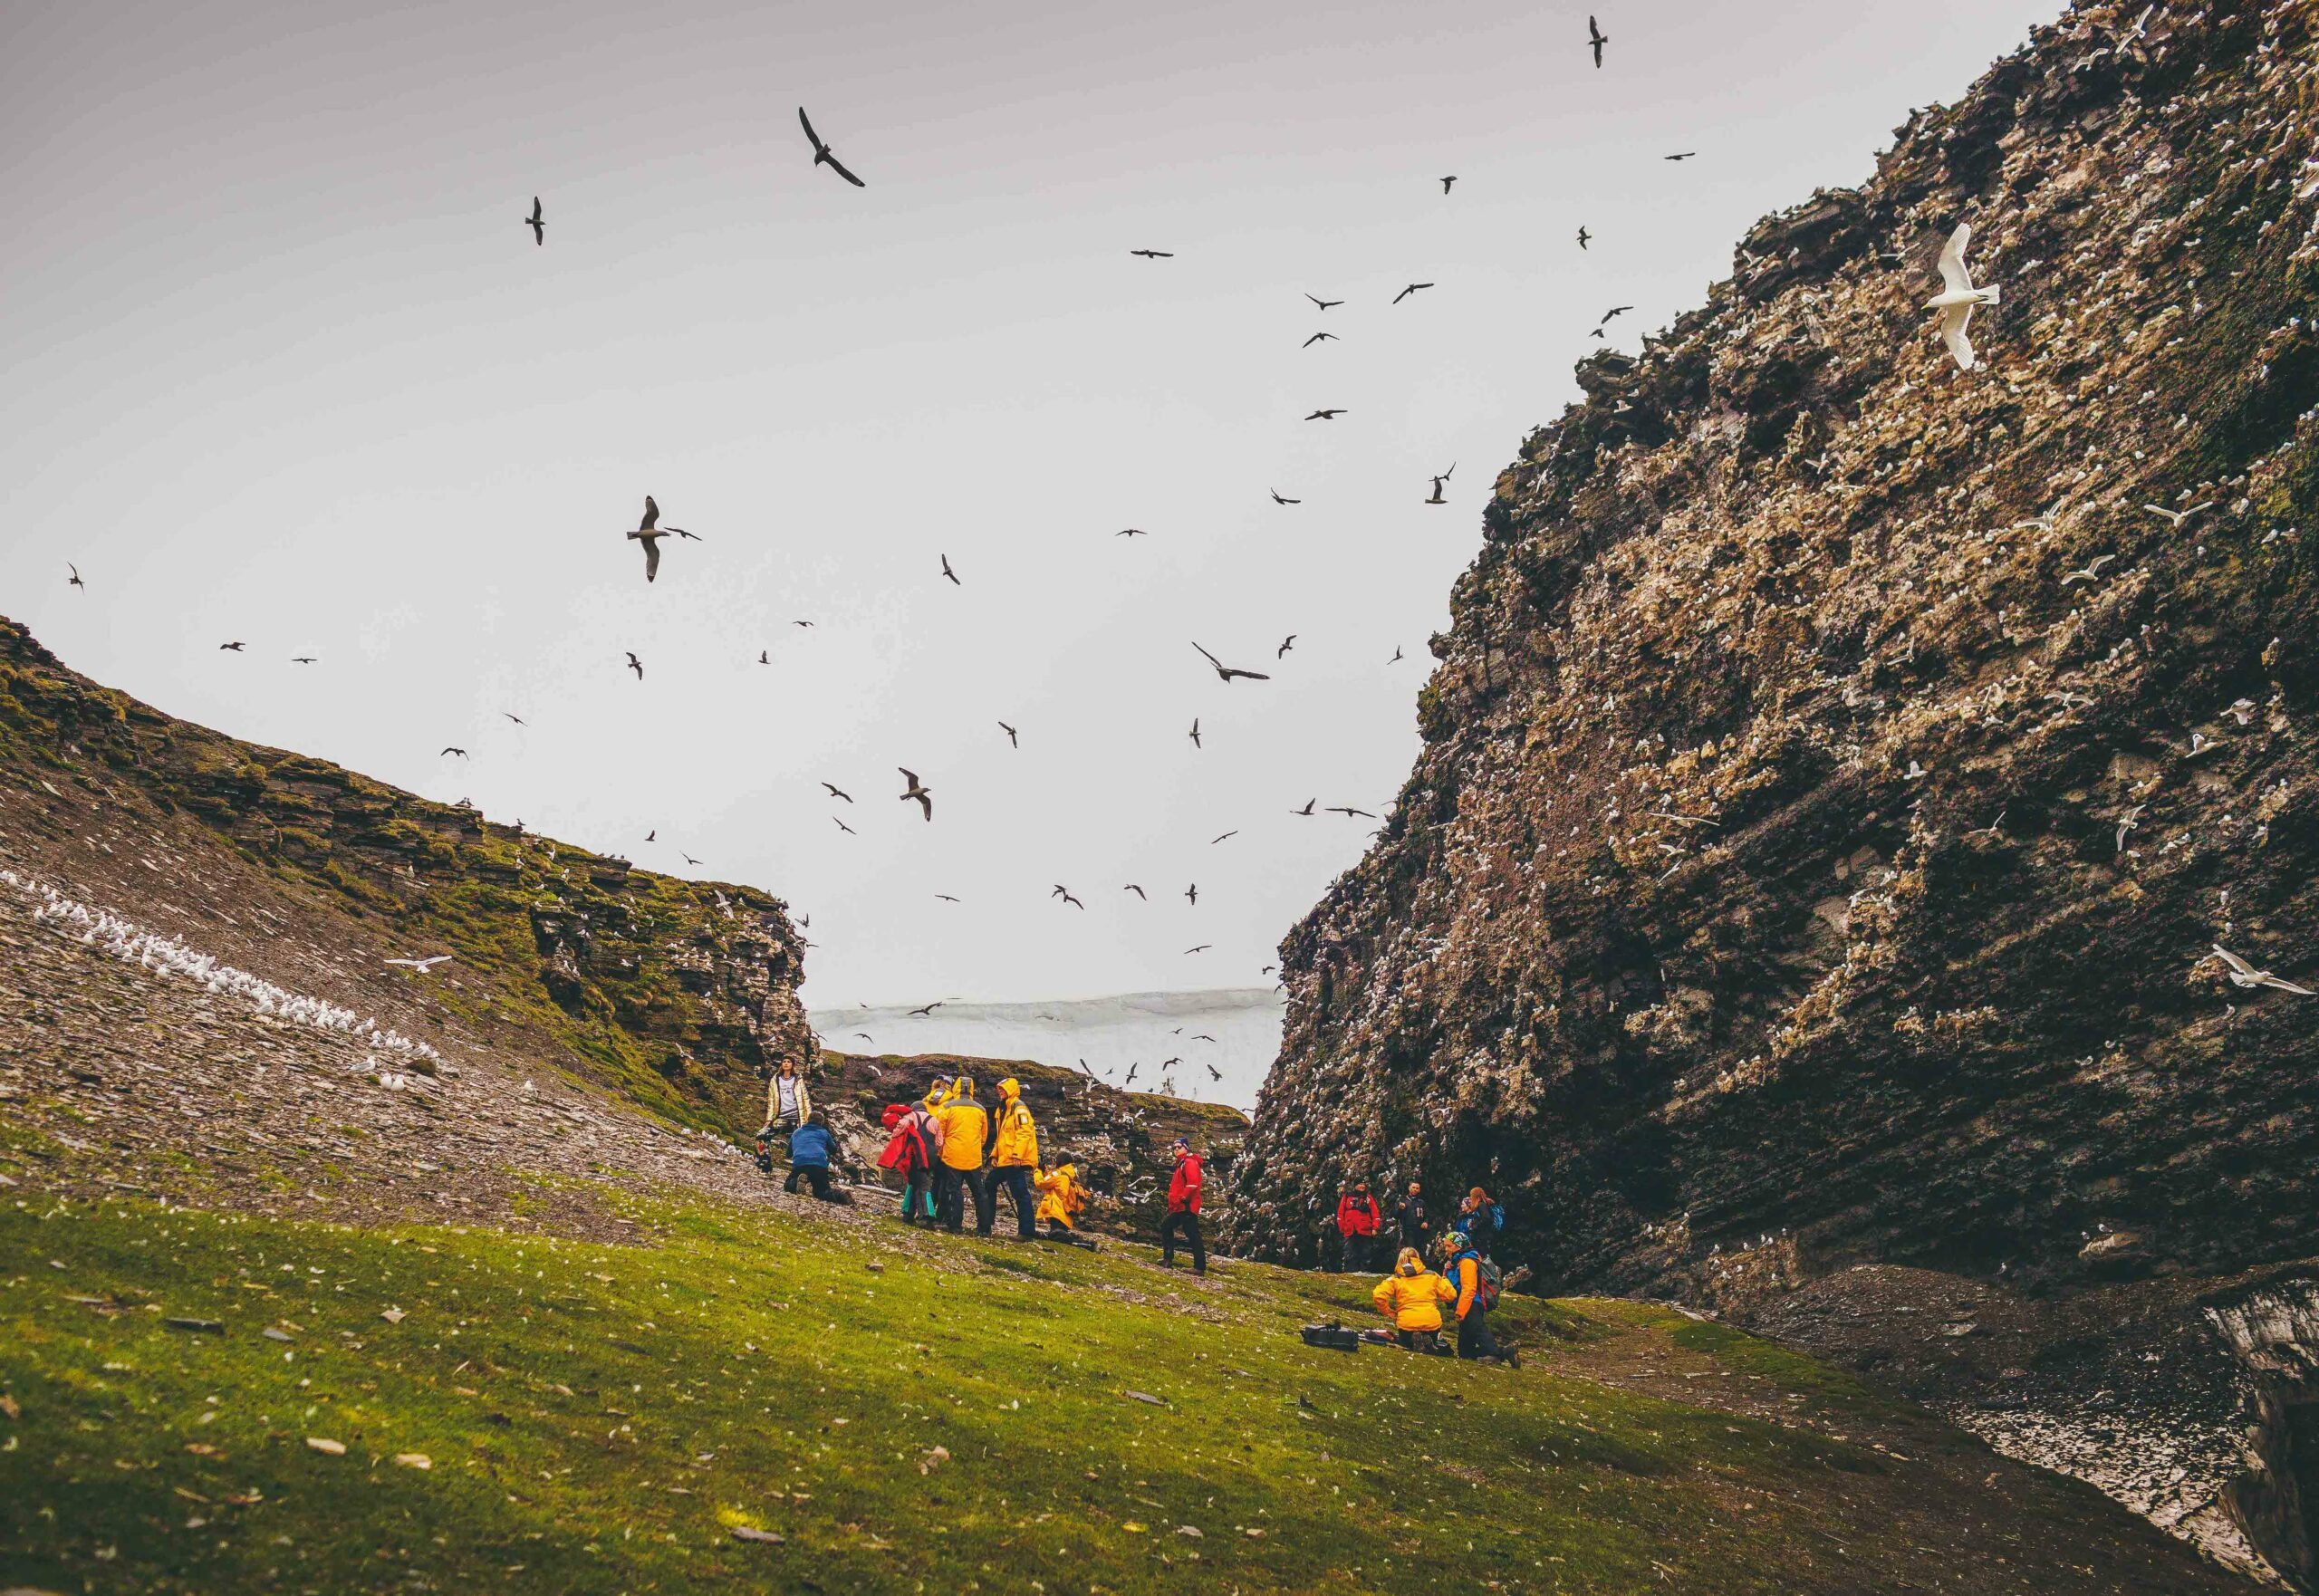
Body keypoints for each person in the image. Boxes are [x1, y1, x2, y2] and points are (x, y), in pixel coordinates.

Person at [1444, 1230, 1519, 1367]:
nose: (1446, 1249)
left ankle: (1495, 1354)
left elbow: (1469, 1288)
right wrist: (1447, 1269)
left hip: (1471, 1303)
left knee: (1479, 1330)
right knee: (1464, 1352)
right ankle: (1505, 1352)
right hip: (1466, 1303)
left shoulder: (1467, 1262)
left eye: (1449, 1246)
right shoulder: (1457, 1262)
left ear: (1458, 1246)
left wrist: (1461, 1311)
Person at [934, 1075, 992, 1234]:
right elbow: (984, 1136)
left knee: (954, 1191)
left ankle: (955, 1225)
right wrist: (975, 1147)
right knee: (979, 1192)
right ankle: (984, 1228)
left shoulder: (948, 1107)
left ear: (957, 1088)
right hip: (973, 1157)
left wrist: (940, 1151)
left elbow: (940, 1133)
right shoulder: (980, 1109)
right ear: (972, 1088)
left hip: (952, 1155)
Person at [1371, 1245, 1457, 1352]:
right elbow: (1451, 1295)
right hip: (1431, 1322)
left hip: (1407, 1323)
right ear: (1418, 1258)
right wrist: (1444, 1279)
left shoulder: (1396, 1278)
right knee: (1435, 1340)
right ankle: (1429, 1342)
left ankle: (1413, 1341)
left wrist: (1388, 1312)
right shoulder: (1432, 1275)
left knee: (1405, 1343)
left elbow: (1378, 1295)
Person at [986, 1077, 1041, 1239]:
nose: (1000, 1092)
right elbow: (1002, 1136)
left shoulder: (1019, 1107)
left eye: (1002, 1089)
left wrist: (1018, 1154)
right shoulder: (1003, 1109)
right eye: (999, 1089)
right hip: (1005, 1159)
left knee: (1020, 1193)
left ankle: (1026, 1231)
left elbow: (1025, 1132)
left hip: (1013, 1159)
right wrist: (994, 1155)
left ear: (1011, 1089)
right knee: (990, 1183)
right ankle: (986, 1223)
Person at [878, 1100, 938, 1225]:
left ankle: (919, 1216)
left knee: (917, 1183)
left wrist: (895, 1137)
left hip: (914, 1155)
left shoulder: (909, 1116)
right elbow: (939, 1142)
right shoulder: (935, 1120)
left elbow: (900, 1128)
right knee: (922, 1183)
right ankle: (915, 1215)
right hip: (930, 1156)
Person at [1160, 1137, 1206, 1275]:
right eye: (1174, 1148)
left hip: (1186, 1206)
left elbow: (1193, 1184)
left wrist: (1183, 1198)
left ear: (1186, 1148)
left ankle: (1199, 1267)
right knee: (1167, 1226)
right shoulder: (1181, 1164)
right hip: (1181, 1207)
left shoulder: (1189, 1162)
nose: (1176, 1150)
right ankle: (1167, 1259)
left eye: (1179, 1147)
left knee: (1192, 1234)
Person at [783, 1110, 836, 1201]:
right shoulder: (824, 1132)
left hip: (800, 1163)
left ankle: (795, 1183)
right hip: (818, 1164)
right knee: (822, 1192)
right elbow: (833, 1149)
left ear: (808, 1120)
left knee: (788, 1186)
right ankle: (842, 1196)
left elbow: (788, 1154)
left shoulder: (797, 1132)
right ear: (821, 1122)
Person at [1033, 1161, 1091, 1243]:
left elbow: (1041, 1182)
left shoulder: (1058, 1173)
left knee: (1057, 1236)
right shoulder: (1071, 1177)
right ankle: (1084, 1243)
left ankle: (1083, 1244)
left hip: (1057, 1213)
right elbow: (1051, 1180)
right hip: (1066, 1217)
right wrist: (1045, 1172)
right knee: (1059, 1236)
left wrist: (1038, 1170)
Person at [1335, 1182, 1382, 1274]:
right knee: (1349, 1252)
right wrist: (1342, 1227)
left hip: (1365, 1230)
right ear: (1355, 1185)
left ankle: (1365, 1271)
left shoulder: (1368, 1198)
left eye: (1364, 1184)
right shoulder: (1347, 1197)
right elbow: (1340, 1213)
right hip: (1350, 1230)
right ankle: (1350, 1272)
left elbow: (1375, 1214)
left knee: (1366, 1252)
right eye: (1360, 1184)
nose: (1362, 1186)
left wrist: (1375, 1228)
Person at [1457, 1187, 1506, 1258]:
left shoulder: (1481, 1205)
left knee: (1483, 1256)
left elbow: (1486, 1218)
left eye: (1472, 1195)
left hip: (1483, 1236)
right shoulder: (1485, 1203)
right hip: (1485, 1235)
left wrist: (1476, 1226)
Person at [1396, 1181, 1431, 1254]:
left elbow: (1427, 1215)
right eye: (1413, 1187)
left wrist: (1425, 1222)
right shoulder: (1402, 1200)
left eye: (1417, 1188)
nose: (1415, 1189)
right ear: (1409, 1188)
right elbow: (1395, 1215)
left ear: (1419, 1190)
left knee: (1420, 1251)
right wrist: (1399, 1208)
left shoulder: (1421, 1202)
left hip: (1420, 1230)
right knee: (1411, 1251)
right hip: (1407, 1230)